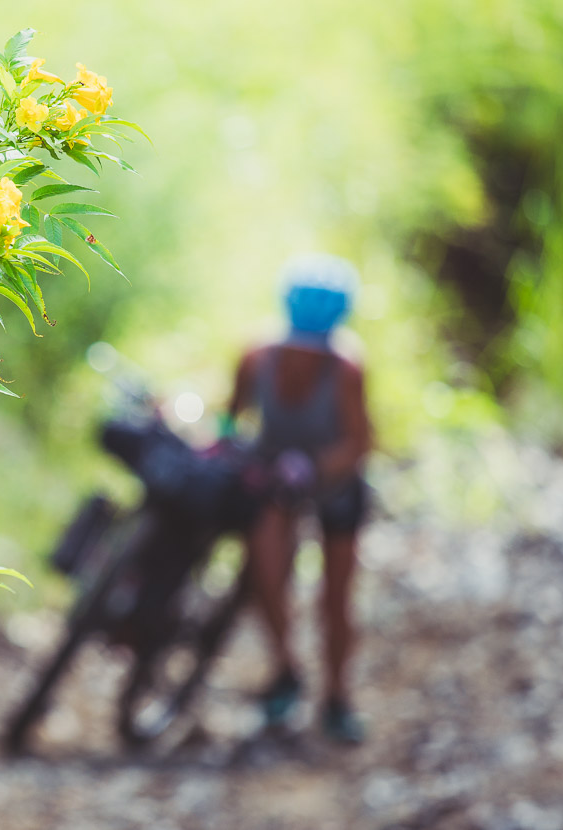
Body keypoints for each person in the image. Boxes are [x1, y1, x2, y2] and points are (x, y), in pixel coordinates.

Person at [222, 253, 372, 744]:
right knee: (264, 572)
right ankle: (286, 667)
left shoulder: (346, 370)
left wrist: (314, 465)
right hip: (275, 474)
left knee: (335, 598)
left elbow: (358, 442)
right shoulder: (256, 357)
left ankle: (337, 697)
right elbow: (232, 417)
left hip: (334, 483)